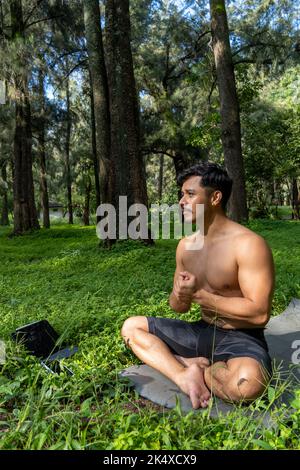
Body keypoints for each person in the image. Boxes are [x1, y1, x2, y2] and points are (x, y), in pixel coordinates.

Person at [121, 162, 275, 409]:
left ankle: (202, 368)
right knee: (131, 327)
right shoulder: (186, 245)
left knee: (246, 385)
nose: (182, 201)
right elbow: (178, 307)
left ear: (215, 197)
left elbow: (259, 314)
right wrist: (180, 293)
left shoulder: (249, 244)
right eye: (182, 194)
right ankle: (184, 374)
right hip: (201, 331)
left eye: (190, 194)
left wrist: (202, 297)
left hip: (241, 336)